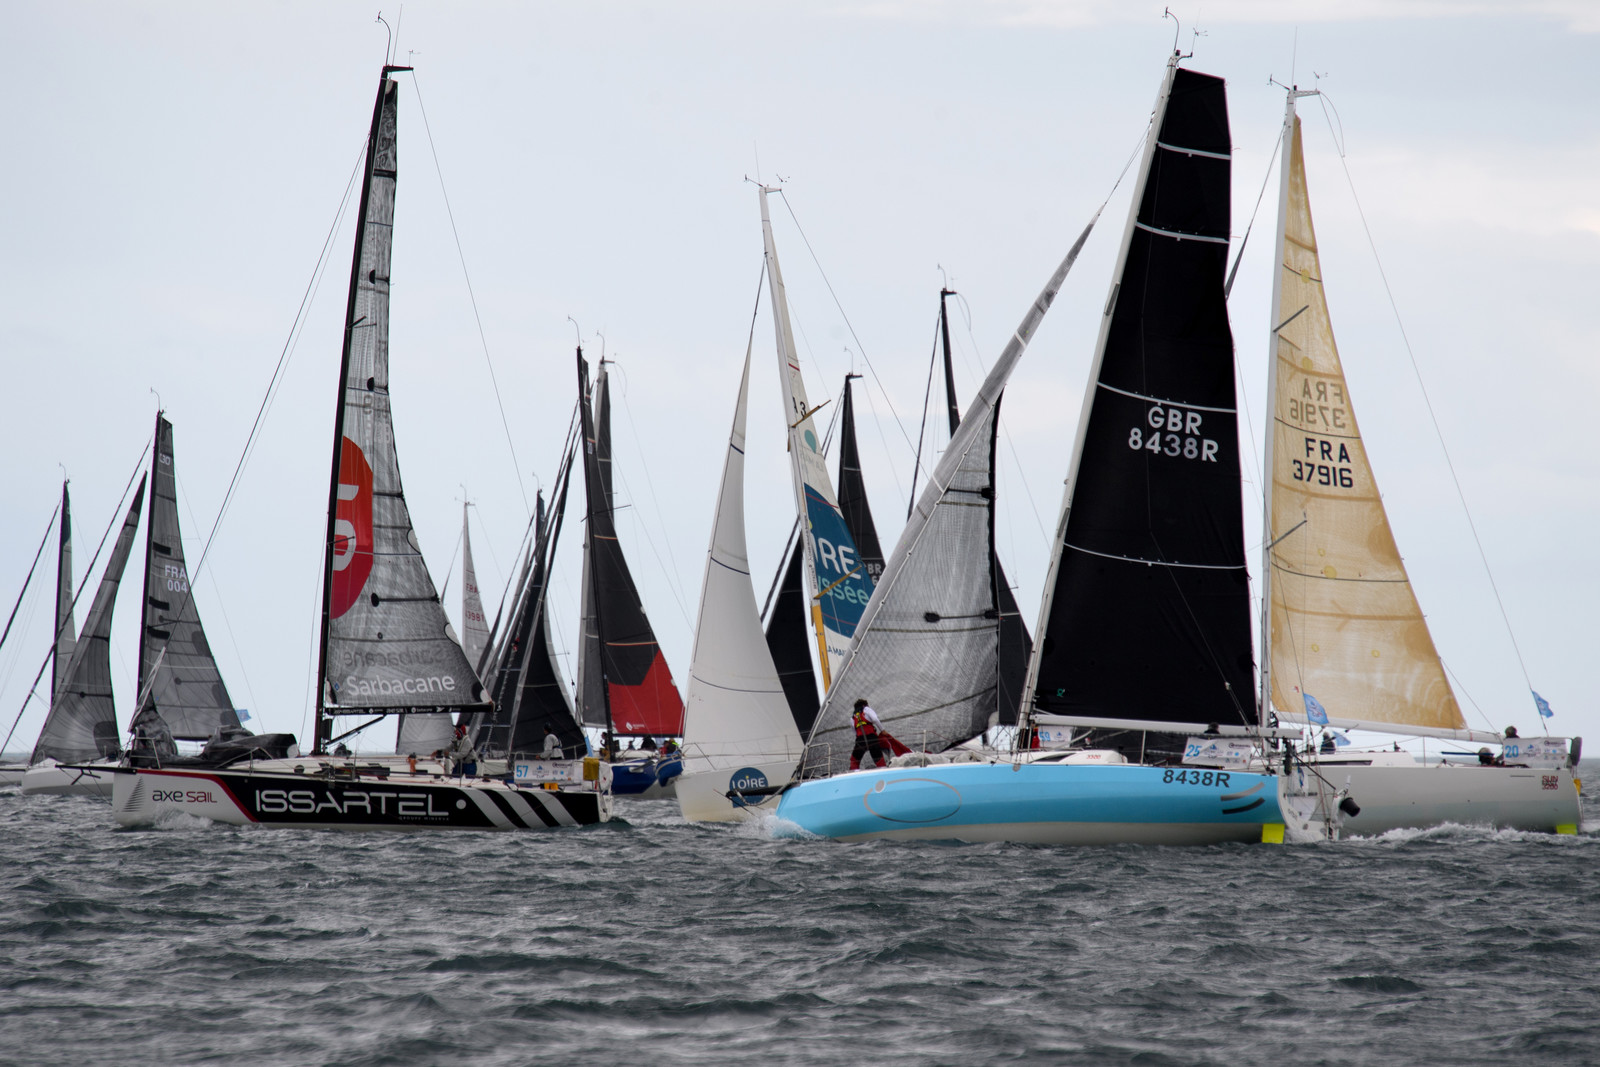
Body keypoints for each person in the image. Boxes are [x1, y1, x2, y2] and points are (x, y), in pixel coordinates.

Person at [850, 698, 890, 771]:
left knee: (854, 760)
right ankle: (883, 771)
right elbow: (875, 719)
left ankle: (854, 773)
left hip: (860, 740)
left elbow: (854, 730)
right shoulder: (867, 709)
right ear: (864, 705)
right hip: (872, 738)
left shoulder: (852, 717)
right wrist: (883, 730)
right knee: (878, 759)